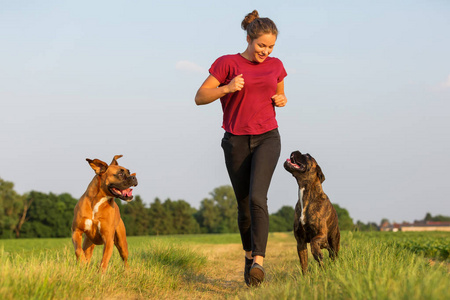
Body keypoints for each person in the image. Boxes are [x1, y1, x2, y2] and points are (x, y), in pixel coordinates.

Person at [195, 10, 287, 287]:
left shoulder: (276, 65)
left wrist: (281, 99)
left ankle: (259, 260)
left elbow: (279, 92)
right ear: (248, 38)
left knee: (258, 197)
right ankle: (248, 255)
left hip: (268, 137)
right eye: (261, 45)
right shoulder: (227, 64)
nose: (265, 51)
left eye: (270, 47)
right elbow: (200, 97)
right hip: (235, 140)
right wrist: (227, 88)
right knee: (244, 205)